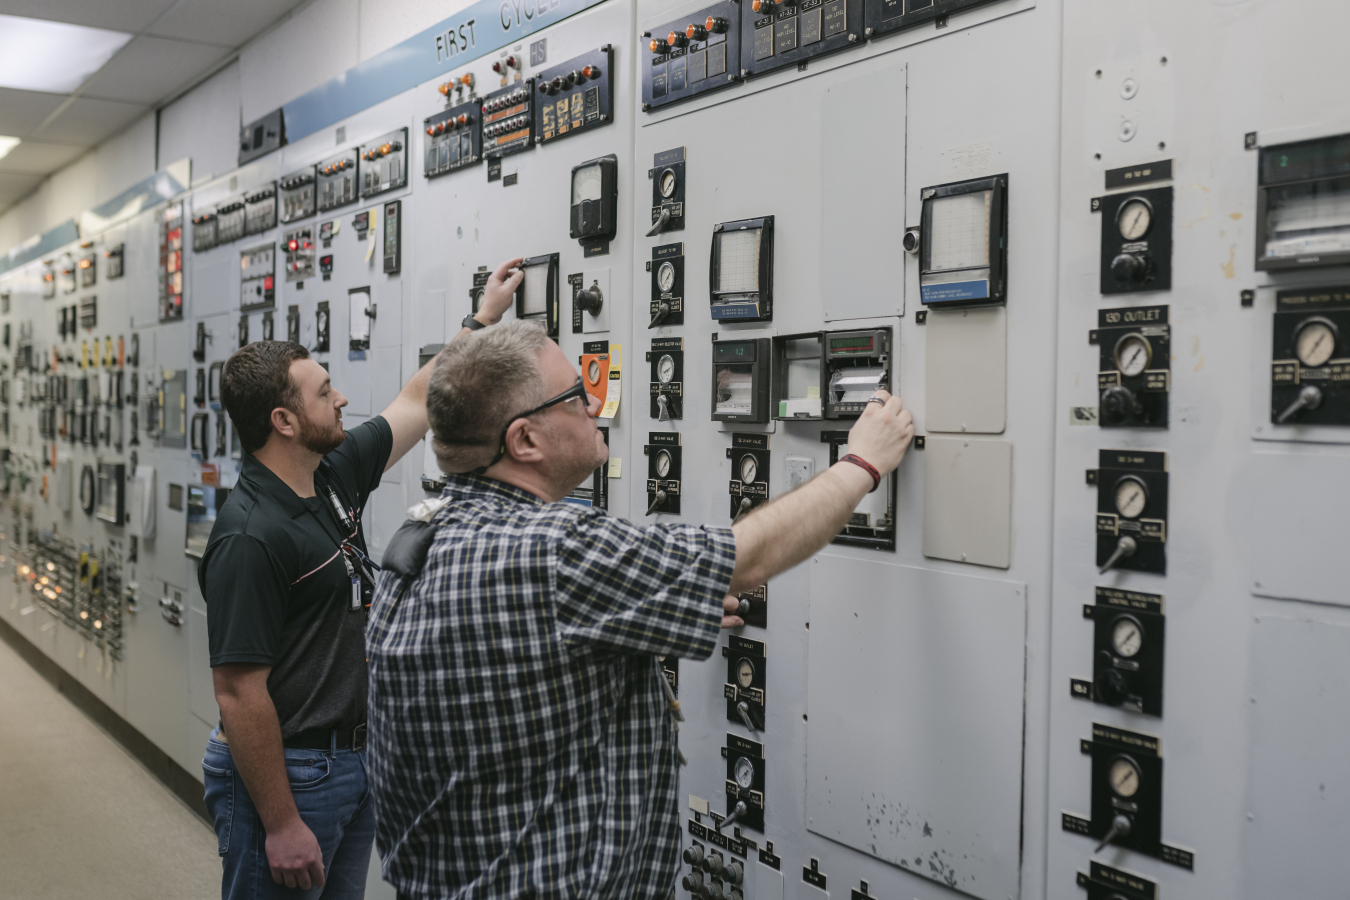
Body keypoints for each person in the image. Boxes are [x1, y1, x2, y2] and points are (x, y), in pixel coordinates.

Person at [365, 319, 915, 899]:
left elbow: (510, 673)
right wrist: (861, 463)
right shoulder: (556, 551)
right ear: (524, 440)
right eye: (577, 396)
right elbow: (746, 558)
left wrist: (643, 607)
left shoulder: (421, 535)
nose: (597, 405)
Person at [199, 258, 524, 900]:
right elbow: (239, 693)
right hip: (290, 774)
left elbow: (415, 400)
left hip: (353, 761)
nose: (341, 397)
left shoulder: (332, 471)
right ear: (284, 422)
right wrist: (282, 821)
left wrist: (480, 320)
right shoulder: (250, 535)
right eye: (324, 391)